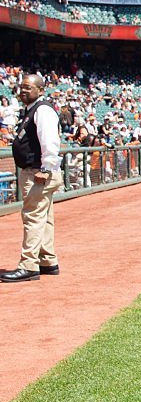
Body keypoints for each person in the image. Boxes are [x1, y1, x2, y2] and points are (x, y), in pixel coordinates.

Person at [1, 72, 62, 283]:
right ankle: (48, 261)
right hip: (37, 170)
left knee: (33, 217)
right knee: (44, 218)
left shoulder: (43, 109)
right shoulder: (31, 109)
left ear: (41, 90)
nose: (24, 90)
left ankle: (28, 265)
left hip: (39, 172)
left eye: (29, 87)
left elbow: (50, 141)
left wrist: (46, 168)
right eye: (22, 87)